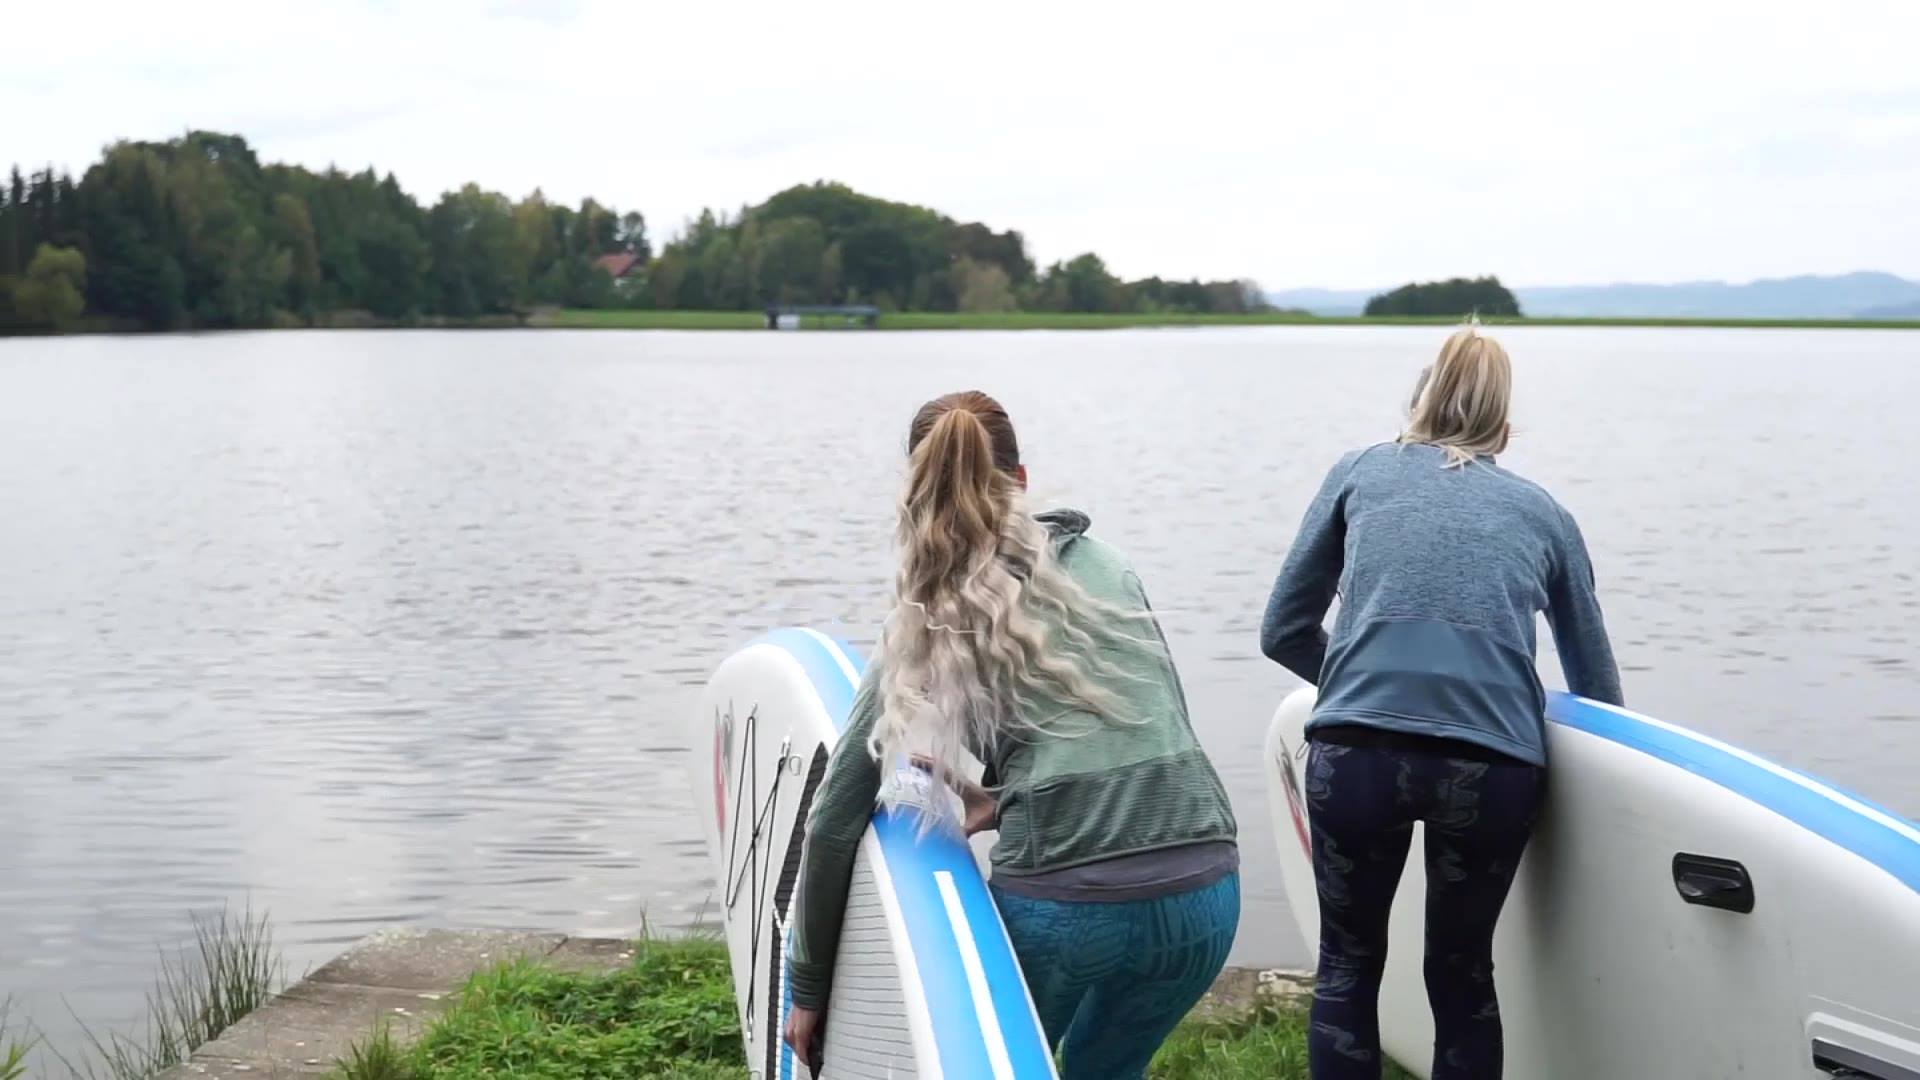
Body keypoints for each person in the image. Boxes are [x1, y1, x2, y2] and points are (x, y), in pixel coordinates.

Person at [784, 390, 1240, 1080]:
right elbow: (1153, 725)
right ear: (1021, 480)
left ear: (916, 490)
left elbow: (835, 818)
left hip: (1066, 902)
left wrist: (808, 988)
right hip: (1206, 886)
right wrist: (1009, 797)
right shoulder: (1109, 565)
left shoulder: (930, 607)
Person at [1260, 327, 1623, 1080]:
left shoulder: (1360, 472)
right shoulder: (1546, 514)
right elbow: (1597, 685)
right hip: (1491, 768)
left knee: (1347, 964)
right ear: (1505, 425)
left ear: (1418, 401)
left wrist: (1359, 686)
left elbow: (1283, 629)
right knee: (1463, 974)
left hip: (1356, 758)